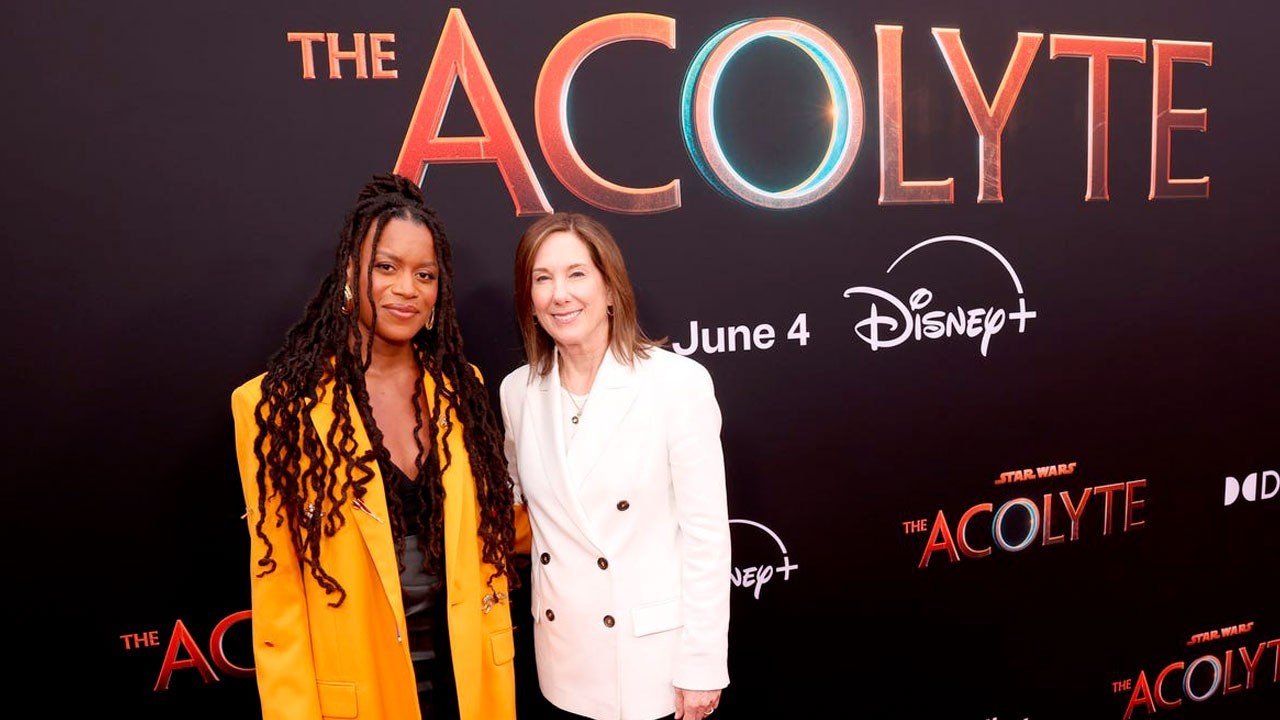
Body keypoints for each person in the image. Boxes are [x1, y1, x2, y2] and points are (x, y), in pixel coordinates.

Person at [231, 173, 525, 720]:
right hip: (361, 694)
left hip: (469, 684)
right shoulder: (276, 406)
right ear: (349, 273)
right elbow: (280, 595)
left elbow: (495, 537)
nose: (406, 288)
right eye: (385, 267)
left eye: (425, 274)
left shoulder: (465, 388)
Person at [499, 212, 730, 720]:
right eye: (542, 278)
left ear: (610, 289)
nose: (560, 294)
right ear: (529, 299)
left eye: (577, 273)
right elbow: (521, 501)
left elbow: (707, 537)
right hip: (560, 660)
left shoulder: (676, 384)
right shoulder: (517, 391)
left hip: (650, 664)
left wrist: (703, 665)